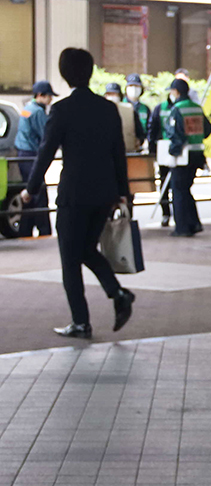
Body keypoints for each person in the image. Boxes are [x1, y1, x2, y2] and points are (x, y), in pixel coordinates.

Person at [19, 48, 135, 339]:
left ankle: (81, 322)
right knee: (85, 250)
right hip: (104, 194)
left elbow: (45, 152)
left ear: (64, 73)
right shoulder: (108, 108)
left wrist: (30, 190)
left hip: (74, 195)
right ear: (91, 72)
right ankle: (118, 293)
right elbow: (118, 154)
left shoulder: (62, 109)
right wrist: (123, 192)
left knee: (70, 260)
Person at [163, 78, 211, 237]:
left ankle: (182, 228)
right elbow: (208, 129)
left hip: (183, 157)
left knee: (178, 191)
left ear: (175, 92)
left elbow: (176, 134)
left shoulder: (177, 109)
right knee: (185, 189)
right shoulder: (197, 108)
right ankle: (193, 224)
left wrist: (172, 154)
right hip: (197, 155)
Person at [13, 81, 57, 237]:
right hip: (32, 154)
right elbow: (47, 134)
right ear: (40, 96)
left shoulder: (26, 109)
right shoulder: (38, 113)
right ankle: (44, 231)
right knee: (38, 193)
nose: (50, 100)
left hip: (22, 154)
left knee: (29, 193)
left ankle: (25, 231)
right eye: (49, 97)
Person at [147, 88, 174, 227]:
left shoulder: (182, 106)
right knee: (164, 183)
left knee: (176, 186)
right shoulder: (160, 108)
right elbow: (152, 129)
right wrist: (153, 151)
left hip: (179, 153)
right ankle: (166, 213)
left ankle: (177, 214)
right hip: (163, 151)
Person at [105, 82, 143, 152]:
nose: (112, 96)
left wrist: (139, 141)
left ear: (120, 96)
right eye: (109, 94)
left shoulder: (129, 110)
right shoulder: (101, 112)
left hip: (127, 150)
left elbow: (139, 132)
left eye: (114, 94)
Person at [125, 73, 150, 142]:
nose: (134, 88)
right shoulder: (122, 107)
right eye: (131, 85)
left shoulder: (145, 109)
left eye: (136, 86)